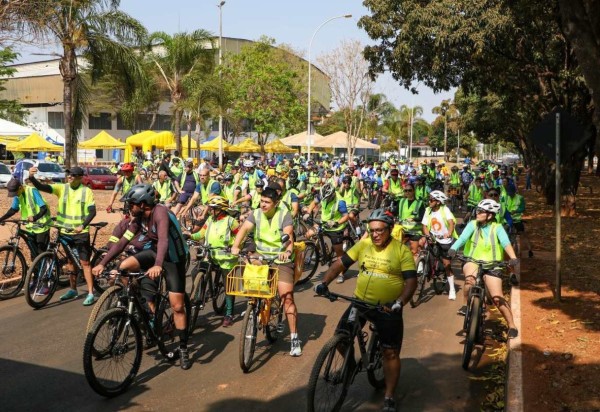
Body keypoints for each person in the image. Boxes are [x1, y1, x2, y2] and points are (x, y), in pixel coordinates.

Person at [314, 209, 417, 412]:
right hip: (360, 303)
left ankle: (388, 397)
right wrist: (324, 282)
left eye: (380, 230)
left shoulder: (401, 251)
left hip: (387, 308)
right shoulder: (364, 244)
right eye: (372, 231)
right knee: (341, 339)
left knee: (390, 352)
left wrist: (400, 302)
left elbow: (411, 282)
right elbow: (339, 264)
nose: (375, 234)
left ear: (390, 229)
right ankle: (351, 366)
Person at [92, 184, 192, 369]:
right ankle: (137, 303)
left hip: (172, 258)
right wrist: (102, 263)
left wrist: (157, 265)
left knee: (177, 306)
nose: (129, 207)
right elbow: (122, 242)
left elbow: (163, 239)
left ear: (143, 204)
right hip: (155, 253)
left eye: (131, 204)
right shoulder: (137, 219)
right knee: (124, 266)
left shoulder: (160, 212)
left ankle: (183, 348)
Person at [230, 185, 302, 356]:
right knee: (248, 273)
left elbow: (289, 237)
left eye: (267, 202)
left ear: (275, 203)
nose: (263, 205)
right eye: (261, 201)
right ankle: (254, 307)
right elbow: (244, 229)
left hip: (280, 259)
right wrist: (235, 246)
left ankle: (294, 338)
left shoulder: (284, 215)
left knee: (287, 299)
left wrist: (287, 251)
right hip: (261, 256)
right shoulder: (255, 213)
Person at [448, 199, 520, 339]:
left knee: (497, 298)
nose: (478, 213)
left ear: (490, 215)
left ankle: (511, 325)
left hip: (493, 264)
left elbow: (506, 243)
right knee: (469, 281)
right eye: (478, 210)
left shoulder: (497, 228)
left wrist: (513, 257)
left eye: (481, 211)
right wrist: (453, 248)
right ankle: (465, 305)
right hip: (472, 260)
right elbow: (462, 238)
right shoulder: (472, 224)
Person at [29, 166, 97, 305]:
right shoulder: (62, 188)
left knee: (85, 263)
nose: (69, 177)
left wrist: (82, 226)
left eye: (72, 175)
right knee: (70, 261)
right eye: (68, 174)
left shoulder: (86, 191)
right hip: (64, 231)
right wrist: (31, 177)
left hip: (80, 233)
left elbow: (92, 211)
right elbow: (43, 187)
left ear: (79, 177)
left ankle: (90, 293)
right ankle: (73, 289)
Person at [186, 196, 239, 327]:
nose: (210, 211)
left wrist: (235, 247)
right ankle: (198, 296)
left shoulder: (231, 222)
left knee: (229, 287)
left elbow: (240, 237)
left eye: (213, 209)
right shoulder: (210, 220)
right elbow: (201, 234)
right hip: (210, 255)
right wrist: (190, 235)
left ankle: (229, 313)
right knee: (195, 272)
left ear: (221, 210)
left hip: (227, 259)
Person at [304, 183, 349, 283]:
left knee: (339, 254)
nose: (324, 199)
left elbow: (346, 216)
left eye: (327, 198)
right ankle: (321, 250)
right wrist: (308, 213)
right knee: (309, 234)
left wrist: (336, 222)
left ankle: (341, 273)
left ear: (332, 194)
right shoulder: (323, 194)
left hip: (335, 227)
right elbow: (313, 203)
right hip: (324, 223)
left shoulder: (340, 201)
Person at [420, 190, 458, 300]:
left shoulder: (445, 210)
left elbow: (451, 223)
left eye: (431, 200)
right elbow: (424, 226)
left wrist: (449, 233)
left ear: (438, 202)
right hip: (433, 238)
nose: (429, 201)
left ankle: (452, 289)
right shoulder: (428, 210)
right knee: (422, 243)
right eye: (429, 199)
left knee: (447, 265)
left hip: (444, 240)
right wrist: (428, 235)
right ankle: (422, 266)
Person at [0, 178, 50, 258]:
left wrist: (35, 217)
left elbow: (44, 208)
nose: (15, 195)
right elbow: (14, 209)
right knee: (33, 254)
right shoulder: (18, 195)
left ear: (20, 187)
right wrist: (2, 218)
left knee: (41, 253)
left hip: (41, 226)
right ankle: (36, 270)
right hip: (30, 228)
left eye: (15, 193)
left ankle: (48, 268)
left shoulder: (32, 191)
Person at [397, 183, 425, 262]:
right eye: (405, 191)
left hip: (415, 232)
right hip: (403, 230)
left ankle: (415, 270)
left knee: (414, 252)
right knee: (399, 251)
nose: (407, 192)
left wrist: (415, 219)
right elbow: (395, 212)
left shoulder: (419, 203)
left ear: (413, 191)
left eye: (410, 190)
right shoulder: (401, 201)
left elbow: (423, 217)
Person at [505, 185, 533, 259]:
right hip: (507, 220)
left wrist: (516, 211)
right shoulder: (505, 197)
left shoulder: (520, 198)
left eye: (511, 193)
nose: (510, 194)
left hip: (517, 220)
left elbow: (523, 208)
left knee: (523, 235)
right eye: (509, 193)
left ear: (514, 192)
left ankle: (529, 250)